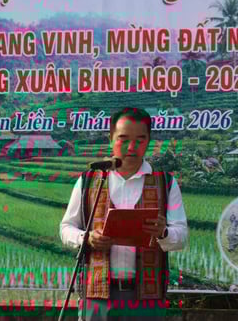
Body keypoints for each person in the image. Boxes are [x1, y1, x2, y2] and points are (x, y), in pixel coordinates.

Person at [60, 107, 189, 321]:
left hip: (147, 298)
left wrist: (163, 232)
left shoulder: (165, 183)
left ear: (149, 141)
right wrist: (87, 238)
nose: (131, 147)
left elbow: (182, 235)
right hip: (98, 295)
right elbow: (66, 228)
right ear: (111, 138)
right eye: (123, 139)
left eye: (140, 140)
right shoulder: (90, 180)